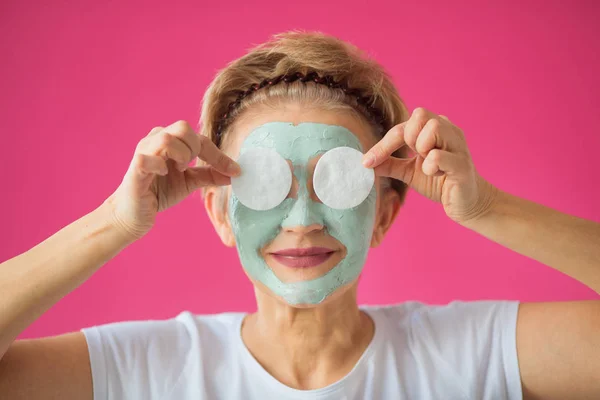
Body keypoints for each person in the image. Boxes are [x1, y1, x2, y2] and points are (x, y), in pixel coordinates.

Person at [0, 31, 598, 400]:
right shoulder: (144, 371)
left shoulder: (473, 355)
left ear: (384, 213)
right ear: (221, 212)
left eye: (335, 182)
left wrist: (488, 208)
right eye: (267, 185)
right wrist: (115, 222)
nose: (304, 218)